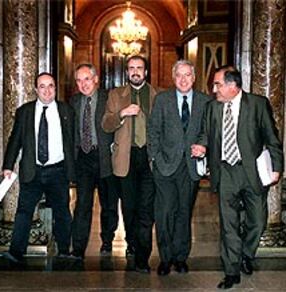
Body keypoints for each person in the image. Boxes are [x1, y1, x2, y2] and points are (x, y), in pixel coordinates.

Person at [191, 65, 283, 289]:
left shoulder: (258, 105)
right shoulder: (212, 108)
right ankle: (231, 270)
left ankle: (246, 254)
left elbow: (272, 137)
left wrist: (277, 167)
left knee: (258, 221)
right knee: (229, 225)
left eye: (218, 85)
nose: (214, 90)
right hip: (225, 172)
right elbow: (206, 133)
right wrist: (202, 146)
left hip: (251, 171)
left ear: (233, 86)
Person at [2, 72, 75, 263]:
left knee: (62, 212)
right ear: (36, 90)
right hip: (32, 170)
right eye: (42, 86)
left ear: (55, 89)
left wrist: (74, 168)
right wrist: (8, 165)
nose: (47, 90)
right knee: (24, 212)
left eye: (50, 85)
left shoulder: (66, 111)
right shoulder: (24, 112)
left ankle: (64, 250)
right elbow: (15, 139)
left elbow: (72, 141)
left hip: (57, 171)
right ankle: (16, 252)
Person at [147, 60, 210, 276]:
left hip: (190, 167)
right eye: (179, 75)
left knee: (184, 212)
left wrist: (203, 145)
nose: (183, 79)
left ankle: (181, 257)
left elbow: (207, 130)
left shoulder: (204, 101)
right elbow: (153, 130)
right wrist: (153, 158)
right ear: (174, 78)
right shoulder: (162, 99)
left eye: (187, 75)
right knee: (164, 213)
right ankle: (165, 258)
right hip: (164, 166)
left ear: (194, 77)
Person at [102, 55, 159, 273]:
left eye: (139, 68)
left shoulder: (157, 95)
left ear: (145, 71)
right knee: (129, 208)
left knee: (146, 209)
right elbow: (106, 124)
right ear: (127, 72)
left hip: (149, 158)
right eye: (132, 68)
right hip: (125, 159)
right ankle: (132, 244)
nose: (135, 72)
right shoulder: (116, 95)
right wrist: (122, 113)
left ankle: (142, 257)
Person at [69, 63, 120, 259]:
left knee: (108, 204)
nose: (83, 84)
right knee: (82, 204)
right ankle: (79, 248)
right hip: (83, 159)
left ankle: (107, 240)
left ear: (96, 79)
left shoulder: (109, 99)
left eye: (87, 79)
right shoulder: (74, 101)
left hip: (105, 158)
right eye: (79, 81)